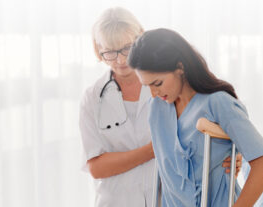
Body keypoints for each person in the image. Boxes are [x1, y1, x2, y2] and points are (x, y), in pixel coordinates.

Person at [79, 7, 242, 207]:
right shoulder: (92, 97)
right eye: (110, 52)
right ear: (98, 50)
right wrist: (156, 148)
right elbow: (96, 167)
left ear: (140, 39)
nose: (120, 60)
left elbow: (200, 130)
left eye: (126, 48)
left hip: (166, 198)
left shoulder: (168, 87)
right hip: (117, 200)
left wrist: (229, 154)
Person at [127, 28, 263, 207]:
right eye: (147, 86)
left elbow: (260, 161)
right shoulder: (157, 108)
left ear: (180, 67)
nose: (153, 93)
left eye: (157, 83)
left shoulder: (218, 103)